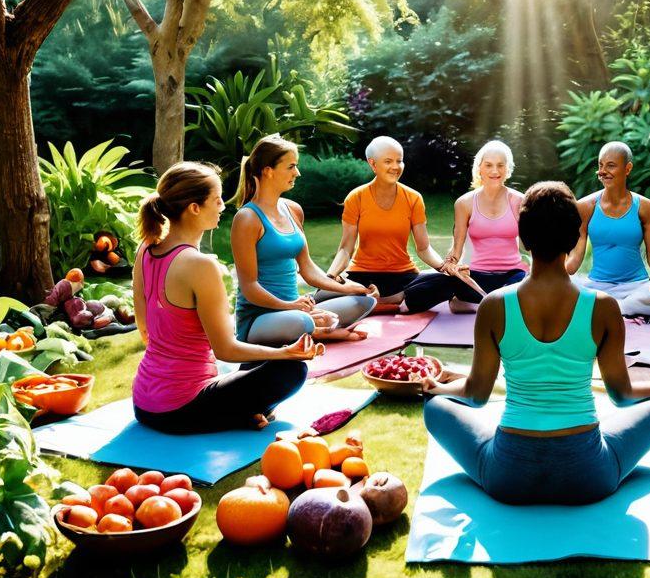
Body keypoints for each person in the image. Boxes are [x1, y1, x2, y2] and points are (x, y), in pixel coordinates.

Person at [422, 181, 650, 505]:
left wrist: (437, 388)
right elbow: (622, 396)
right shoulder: (603, 306)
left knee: (435, 408)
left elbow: (475, 396)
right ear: (574, 239)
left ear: (523, 239)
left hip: (507, 477)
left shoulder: (494, 306)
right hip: (589, 477)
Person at [132, 162, 321, 434]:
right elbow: (226, 351)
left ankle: (238, 412)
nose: (223, 206)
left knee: (261, 357)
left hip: (144, 404)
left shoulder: (147, 250)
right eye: (217, 199)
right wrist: (285, 353)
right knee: (291, 370)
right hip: (180, 410)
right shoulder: (200, 265)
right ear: (194, 208)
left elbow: (145, 331)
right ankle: (239, 414)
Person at [231, 135, 377, 346]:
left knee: (363, 302)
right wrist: (290, 306)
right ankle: (318, 330)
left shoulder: (293, 209)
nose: (297, 173)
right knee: (301, 321)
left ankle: (316, 327)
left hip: (297, 309)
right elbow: (249, 287)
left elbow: (307, 268)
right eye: (291, 166)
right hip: (260, 318)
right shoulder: (247, 218)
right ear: (267, 170)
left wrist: (352, 288)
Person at [402, 140, 528, 314]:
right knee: (419, 292)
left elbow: (528, 245)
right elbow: (456, 250)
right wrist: (451, 265)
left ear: (508, 169)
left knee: (522, 289)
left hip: (512, 275)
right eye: (489, 165)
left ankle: (474, 305)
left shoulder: (520, 201)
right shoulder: (464, 203)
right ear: (479, 169)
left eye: (500, 165)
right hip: (475, 275)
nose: (494, 171)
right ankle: (489, 305)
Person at [326, 136, 452, 308]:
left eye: (399, 161)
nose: (395, 167)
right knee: (323, 296)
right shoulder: (356, 197)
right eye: (388, 161)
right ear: (373, 164)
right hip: (363, 276)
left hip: (402, 276)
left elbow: (423, 248)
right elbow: (345, 249)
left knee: (447, 282)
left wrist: (446, 268)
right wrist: (330, 278)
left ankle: (382, 302)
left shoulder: (413, 198)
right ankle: (394, 303)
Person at [565, 141, 650, 318]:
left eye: (611, 166)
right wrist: (553, 276)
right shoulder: (584, 206)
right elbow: (575, 257)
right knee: (565, 292)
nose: (603, 171)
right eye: (600, 165)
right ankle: (617, 307)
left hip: (636, 286)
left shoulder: (645, 207)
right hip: (597, 286)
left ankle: (610, 308)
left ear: (628, 169)